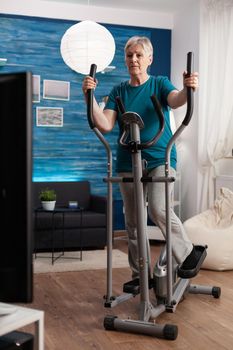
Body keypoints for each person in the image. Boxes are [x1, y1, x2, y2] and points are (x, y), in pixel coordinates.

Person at [82, 36, 200, 281]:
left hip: (160, 158)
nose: (133, 59)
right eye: (129, 55)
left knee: (158, 209)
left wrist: (187, 89)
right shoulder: (119, 91)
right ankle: (140, 276)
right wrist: (90, 96)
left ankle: (188, 252)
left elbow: (176, 100)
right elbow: (104, 124)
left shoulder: (159, 83)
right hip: (129, 161)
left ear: (149, 59)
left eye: (138, 55)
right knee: (133, 222)